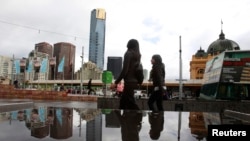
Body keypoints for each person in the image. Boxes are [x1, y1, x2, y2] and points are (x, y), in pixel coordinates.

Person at [111, 39, 142, 110]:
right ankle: (124, 120)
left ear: (129, 44)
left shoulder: (128, 53)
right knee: (124, 103)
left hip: (129, 82)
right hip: (135, 82)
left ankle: (138, 117)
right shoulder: (137, 55)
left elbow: (125, 70)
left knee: (130, 103)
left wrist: (116, 82)